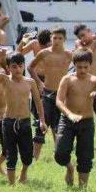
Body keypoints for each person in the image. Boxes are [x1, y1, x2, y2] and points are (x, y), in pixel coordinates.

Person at [0, 50, 47, 185]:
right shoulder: (5, 79)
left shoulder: (30, 82)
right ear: (8, 68)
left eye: (20, 65)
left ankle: (24, 172)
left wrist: (42, 120)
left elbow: (38, 102)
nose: (18, 69)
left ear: (24, 66)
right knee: (10, 153)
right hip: (9, 122)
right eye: (14, 66)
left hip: (25, 121)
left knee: (27, 154)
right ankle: (11, 184)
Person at [55, 49, 96, 189]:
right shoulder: (67, 79)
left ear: (90, 65)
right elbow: (59, 101)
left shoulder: (94, 80)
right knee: (59, 154)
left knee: (85, 156)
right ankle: (70, 168)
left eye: (86, 67)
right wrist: (70, 115)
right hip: (67, 121)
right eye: (79, 67)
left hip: (86, 122)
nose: (83, 70)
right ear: (74, 64)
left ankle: (82, 188)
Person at [27, 27, 72, 157]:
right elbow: (30, 66)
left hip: (62, 94)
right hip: (46, 93)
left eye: (60, 38)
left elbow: (83, 68)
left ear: (64, 39)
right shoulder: (44, 53)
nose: (57, 41)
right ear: (50, 37)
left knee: (60, 126)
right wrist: (39, 82)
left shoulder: (69, 54)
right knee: (41, 125)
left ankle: (58, 153)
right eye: (54, 38)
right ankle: (35, 157)